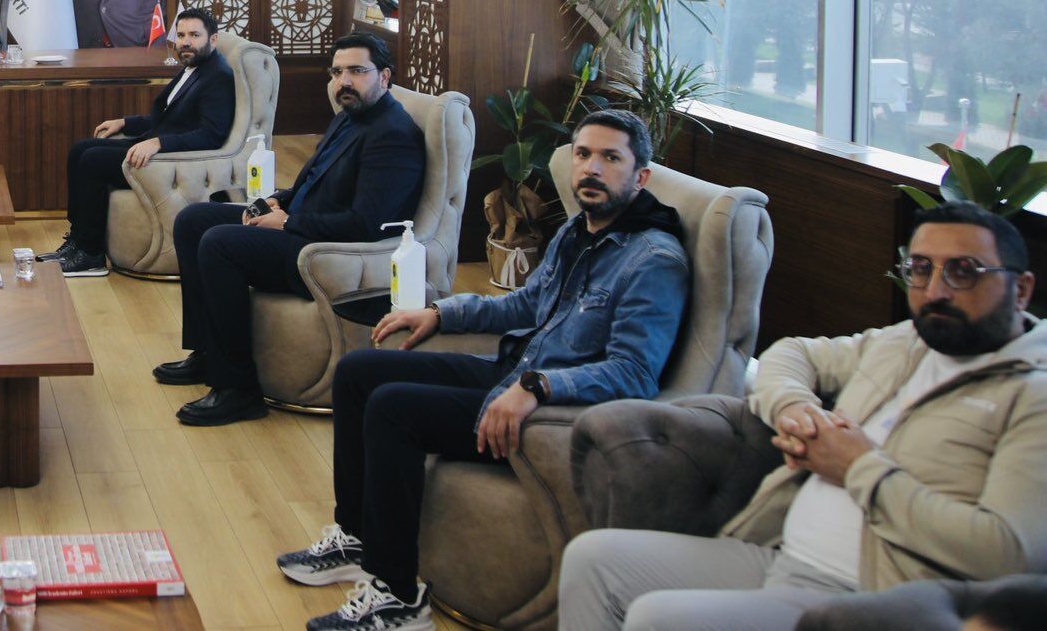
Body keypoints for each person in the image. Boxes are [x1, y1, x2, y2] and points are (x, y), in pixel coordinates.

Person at [282, 110, 689, 631]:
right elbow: (526, 305)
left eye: (611, 158)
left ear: (641, 176)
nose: (591, 168)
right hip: (514, 373)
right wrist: (440, 313)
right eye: (584, 154)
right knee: (359, 372)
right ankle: (358, 537)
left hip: (551, 414)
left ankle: (397, 597)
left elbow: (633, 373)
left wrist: (539, 387)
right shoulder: (578, 230)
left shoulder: (654, 260)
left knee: (393, 408)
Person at [558, 202, 1047, 631]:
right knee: (593, 558)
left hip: (867, 594)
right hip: (777, 552)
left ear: (1021, 289)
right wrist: (797, 410)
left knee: (657, 618)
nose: (935, 290)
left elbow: (1007, 553)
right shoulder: (905, 342)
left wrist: (858, 468)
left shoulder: (1032, 396)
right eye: (921, 268)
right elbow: (792, 353)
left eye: (963, 271)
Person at [156, 31, 425, 426]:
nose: (344, 82)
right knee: (194, 220)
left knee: (219, 243)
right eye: (337, 72)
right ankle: (208, 352)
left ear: (384, 76)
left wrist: (288, 222)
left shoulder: (392, 135)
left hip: (326, 252)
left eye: (356, 71)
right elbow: (313, 181)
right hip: (301, 226)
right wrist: (278, 200)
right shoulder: (349, 116)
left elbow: (365, 224)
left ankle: (238, 388)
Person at [39, 7, 236, 278]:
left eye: (194, 35)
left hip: (170, 160)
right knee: (80, 150)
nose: (185, 42)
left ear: (213, 39)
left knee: (92, 161)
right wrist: (125, 122)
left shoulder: (218, 76)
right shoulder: (193, 68)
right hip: (157, 146)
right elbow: (169, 116)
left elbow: (212, 135)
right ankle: (78, 240)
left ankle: (91, 254)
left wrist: (159, 143)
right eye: (181, 36)